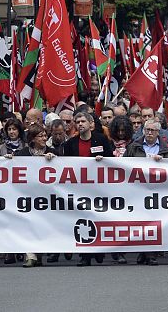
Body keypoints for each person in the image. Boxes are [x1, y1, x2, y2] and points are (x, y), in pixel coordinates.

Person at [61, 112, 114, 267]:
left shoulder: (102, 139)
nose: (80, 124)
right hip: (80, 189)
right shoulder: (70, 144)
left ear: (91, 123)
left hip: (98, 188)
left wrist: (103, 160)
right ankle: (85, 255)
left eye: (83, 121)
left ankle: (99, 250)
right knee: (83, 220)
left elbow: (112, 160)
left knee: (98, 218)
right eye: (77, 122)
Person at [124, 119, 168, 266]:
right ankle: (143, 252)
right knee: (140, 221)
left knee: (153, 222)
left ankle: (150, 253)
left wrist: (163, 161)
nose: (149, 133)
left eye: (153, 130)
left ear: (158, 132)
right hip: (138, 189)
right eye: (147, 130)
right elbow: (123, 164)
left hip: (157, 191)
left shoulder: (166, 149)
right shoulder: (134, 147)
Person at [9, 124, 56, 267]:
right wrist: (8, 160)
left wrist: (54, 160)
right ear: (32, 138)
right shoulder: (21, 154)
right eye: (40, 136)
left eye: (45, 135)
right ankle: (30, 255)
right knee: (28, 223)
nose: (44, 138)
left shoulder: (52, 152)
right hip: (27, 195)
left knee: (42, 225)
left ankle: (39, 255)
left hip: (46, 196)